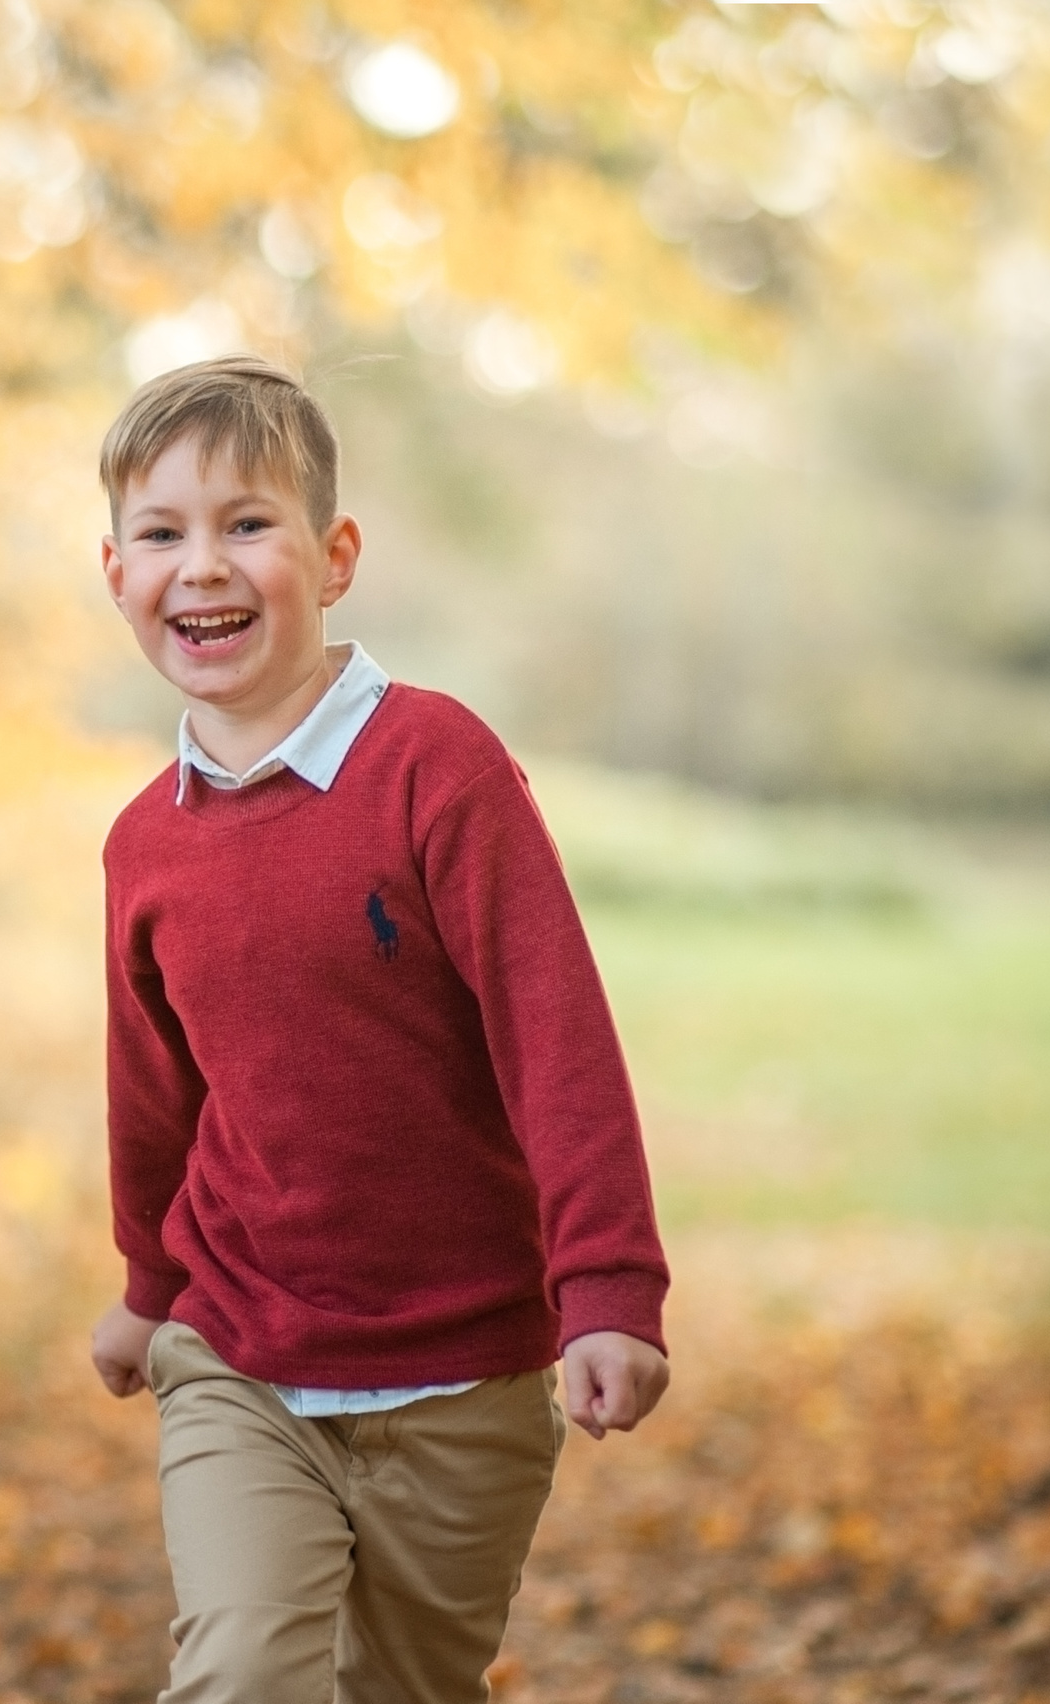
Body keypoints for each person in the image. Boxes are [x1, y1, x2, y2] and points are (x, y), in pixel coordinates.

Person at [86, 355, 672, 1704]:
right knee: (239, 1672)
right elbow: (153, 1091)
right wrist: (148, 1289)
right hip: (240, 1351)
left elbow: (556, 1035)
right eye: (163, 535)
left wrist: (609, 1290)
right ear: (115, 572)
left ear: (335, 554)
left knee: (403, 1688)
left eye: (248, 524)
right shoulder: (143, 844)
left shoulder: (435, 766)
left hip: (461, 1369)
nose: (204, 566)